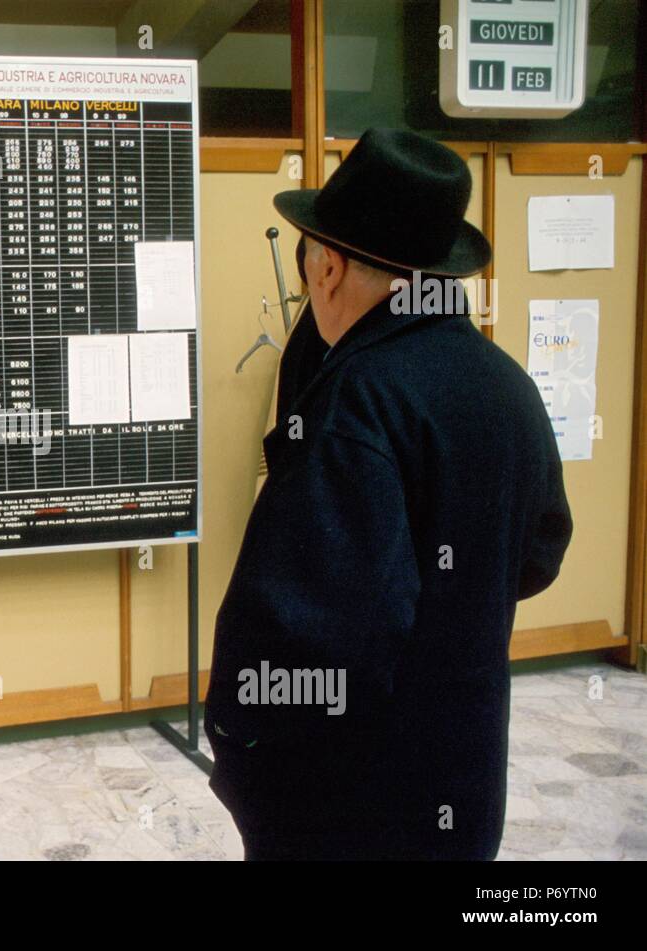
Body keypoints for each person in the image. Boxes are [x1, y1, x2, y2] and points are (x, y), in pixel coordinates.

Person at [204, 127, 573, 861]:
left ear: (330, 268)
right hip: (464, 781)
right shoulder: (511, 387)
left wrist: (239, 743)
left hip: (351, 808)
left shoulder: (356, 405)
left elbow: (307, 631)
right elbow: (540, 552)